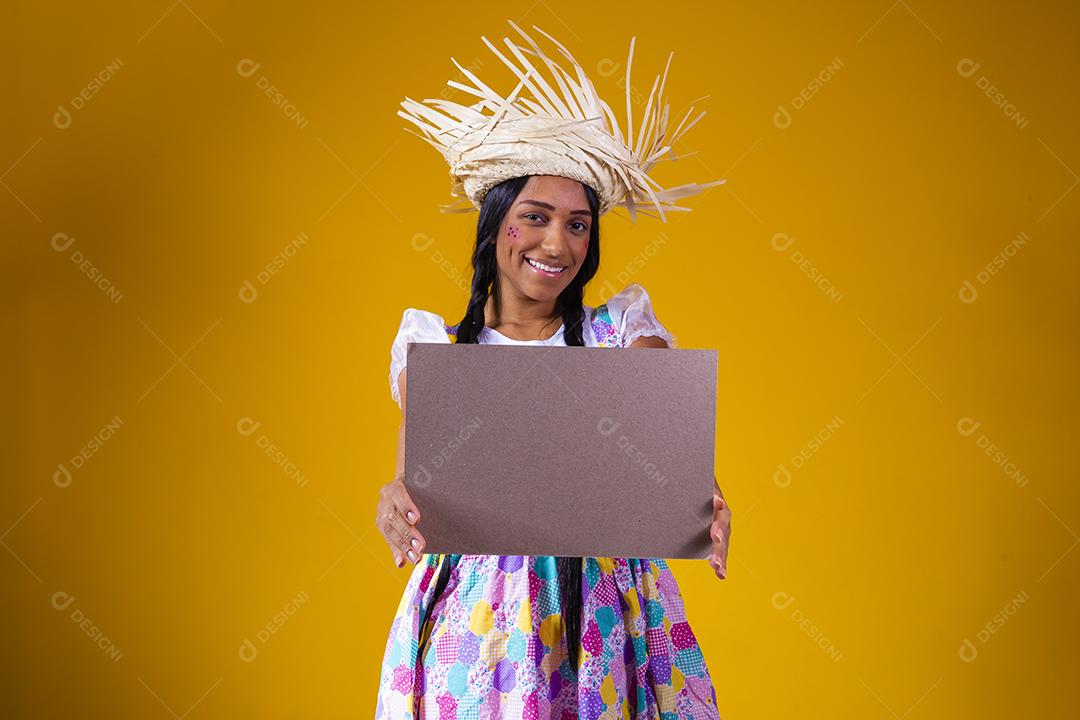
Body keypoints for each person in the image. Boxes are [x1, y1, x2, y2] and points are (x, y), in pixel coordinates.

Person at [375, 20, 732, 720]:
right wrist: (394, 504)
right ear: (496, 222)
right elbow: (414, 484)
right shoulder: (439, 353)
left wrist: (703, 497)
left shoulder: (620, 333)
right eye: (536, 216)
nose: (556, 242)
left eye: (578, 223)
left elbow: (669, 449)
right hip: (481, 628)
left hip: (610, 619)